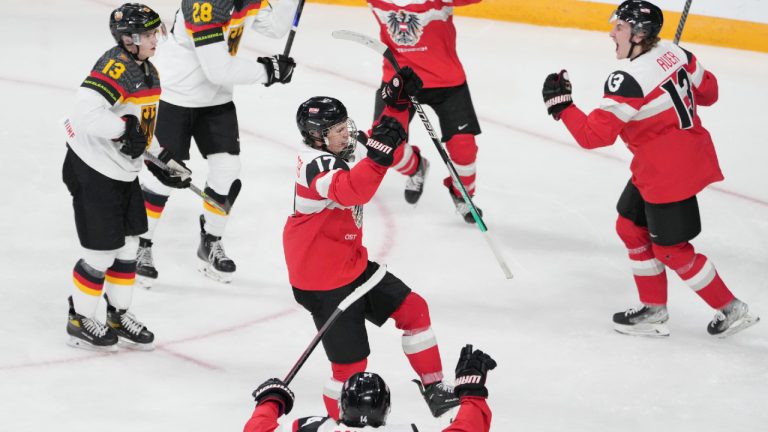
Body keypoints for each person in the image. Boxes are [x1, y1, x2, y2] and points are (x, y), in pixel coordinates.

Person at [541, 0, 760, 338]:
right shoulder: (676, 53)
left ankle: (732, 309)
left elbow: (593, 136)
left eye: (620, 27)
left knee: (671, 249)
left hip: (669, 172)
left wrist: (563, 106)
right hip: (674, 159)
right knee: (629, 226)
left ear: (640, 34)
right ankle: (653, 309)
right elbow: (710, 93)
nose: (612, 32)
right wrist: (678, 62)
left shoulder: (627, 79)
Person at [283, 69, 460, 419]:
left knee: (414, 309)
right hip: (322, 281)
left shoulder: (333, 151)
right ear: (317, 138)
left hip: (350, 265)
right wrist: (378, 157)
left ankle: (434, 388)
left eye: (345, 124)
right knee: (349, 369)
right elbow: (355, 190)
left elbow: (384, 136)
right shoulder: (313, 163)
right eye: (336, 130)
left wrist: (395, 103)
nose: (347, 133)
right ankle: (339, 425)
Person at [135, 0, 299, 286]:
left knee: (227, 170)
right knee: (164, 176)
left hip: (217, 99)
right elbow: (218, 70)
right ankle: (141, 244)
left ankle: (210, 241)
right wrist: (268, 71)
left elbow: (275, 28)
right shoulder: (204, 3)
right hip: (175, 96)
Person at [62, 3, 192, 351]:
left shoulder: (148, 70)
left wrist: (162, 159)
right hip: (93, 171)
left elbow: (141, 130)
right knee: (101, 253)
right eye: (148, 35)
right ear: (129, 39)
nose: (155, 40)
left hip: (122, 172)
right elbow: (85, 113)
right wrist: (123, 130)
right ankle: (79, 318)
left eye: (154, 32)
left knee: (131, 246)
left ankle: (117, 315)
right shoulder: (116, 66)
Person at [367, 0, 483, 223]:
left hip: (447, 83)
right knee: (382, 146)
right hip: (399, 82)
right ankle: (416, 166)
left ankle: (462, 196)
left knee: (464, 148)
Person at [243, 345, 496, 432]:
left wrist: (271, 401)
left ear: (341, 406)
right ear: (386, 410)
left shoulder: (314, 427)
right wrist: (471, 393)